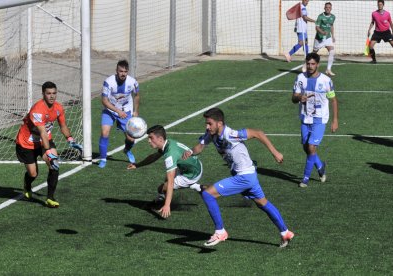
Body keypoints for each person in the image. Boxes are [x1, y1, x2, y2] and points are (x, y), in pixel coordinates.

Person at [183, 108, 294, 248]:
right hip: (248, 176)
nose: (207, 126)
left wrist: (275, 153)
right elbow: (200, 146)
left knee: (208, 194)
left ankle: (220, 231)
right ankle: (285, 232)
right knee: (263, 203)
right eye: (206, 123)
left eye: (209, 123)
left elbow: (258, 133)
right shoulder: (211, 134)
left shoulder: (231, 134)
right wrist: (191, 151)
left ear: (219, 123)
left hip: (244, 177)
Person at [15, 81, 82, 208]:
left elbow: (63, 126)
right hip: (26, 143)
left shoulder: (58, 108)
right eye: (48, 93)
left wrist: (70, 139)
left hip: (44, 141)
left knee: (54, 165)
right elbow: (42, 133)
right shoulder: (37, 109)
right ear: (43, 94)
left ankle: (50, 198)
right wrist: (48, 152)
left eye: (54, 93)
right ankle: (27, 185)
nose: (52, 96)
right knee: (33, 174)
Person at [127, 125, 204, 219]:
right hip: (193, 165)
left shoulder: (170, 155)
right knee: (167, 178)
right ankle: (164, 197)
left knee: (162, 188)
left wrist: (167, 205)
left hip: (191, 175)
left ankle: (196, 186)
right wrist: (137, 165)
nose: (149, 141)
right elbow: (154, 156)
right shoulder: (168, 143)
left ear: (160, 138)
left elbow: (171, 182)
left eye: (151, 138)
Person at [292, 52, 338, 188]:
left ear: (318, 64)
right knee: (307, 148)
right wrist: (299, 97)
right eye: (308, 64)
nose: (310, 66)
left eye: (313, 64)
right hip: (305, 117)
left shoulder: (326, 81)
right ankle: (320, 167)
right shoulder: (300, 78)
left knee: (312, 147)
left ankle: (305, 179)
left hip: (320, 118)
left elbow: (333, 100)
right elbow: (293, 98)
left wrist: (335, 120)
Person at [98, 59, 140, 168]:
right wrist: (117, 111)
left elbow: (137, 95)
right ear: (116, 71)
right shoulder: (108, 82)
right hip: (110, 110)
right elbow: (104, 101)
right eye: (121, 71)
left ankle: (127, 150)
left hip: (126, 112)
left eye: (125, 72)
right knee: (105, 132)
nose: (123, 74)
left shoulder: (133, 82)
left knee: (131, 138)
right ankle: (103, 159)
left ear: (128, 72)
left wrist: (136, 110)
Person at [284, 0, 315, 65]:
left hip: (302, 28)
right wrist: (314, 21)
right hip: (301, 29)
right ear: (303, 0)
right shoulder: (302, 7)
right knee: (301, 43)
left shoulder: (300, 6)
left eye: (308, 1)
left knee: (305, 43)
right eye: (306, 1)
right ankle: (289, 54)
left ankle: (307, 58)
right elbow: (304, 17)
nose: (307, 2)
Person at [313, 2, 336, 76]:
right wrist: (322, 32)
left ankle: (328, 69)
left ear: (331, 8)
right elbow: (316, 27)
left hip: (328, 37)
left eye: (329, 7)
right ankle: (306, 64)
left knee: (332, 51)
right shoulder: (320, 16)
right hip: (319, 38)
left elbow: (331, 26)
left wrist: (333, 36)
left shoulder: (333, 17)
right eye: (326, 7)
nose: (328, 9)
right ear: (324, 8)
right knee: (314, 54)